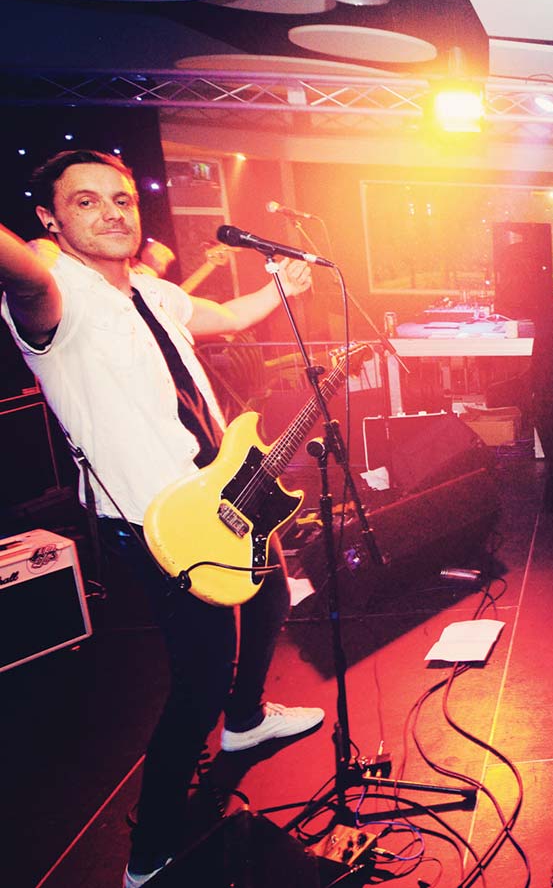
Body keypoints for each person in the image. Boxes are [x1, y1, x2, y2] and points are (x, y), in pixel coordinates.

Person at [0, 150, 324, 888]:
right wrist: (35, 252)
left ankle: (245, 723)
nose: (112, 211)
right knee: (196, 683)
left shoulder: (150, 292)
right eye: (85, 203)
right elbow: (18, 268)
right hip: (155, 526)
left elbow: (225, 314)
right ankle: (148, 856)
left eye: (121, 198)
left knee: (269, 592)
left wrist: (281, 285)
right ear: (49, 220)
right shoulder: (55, 298)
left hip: (219, 498)